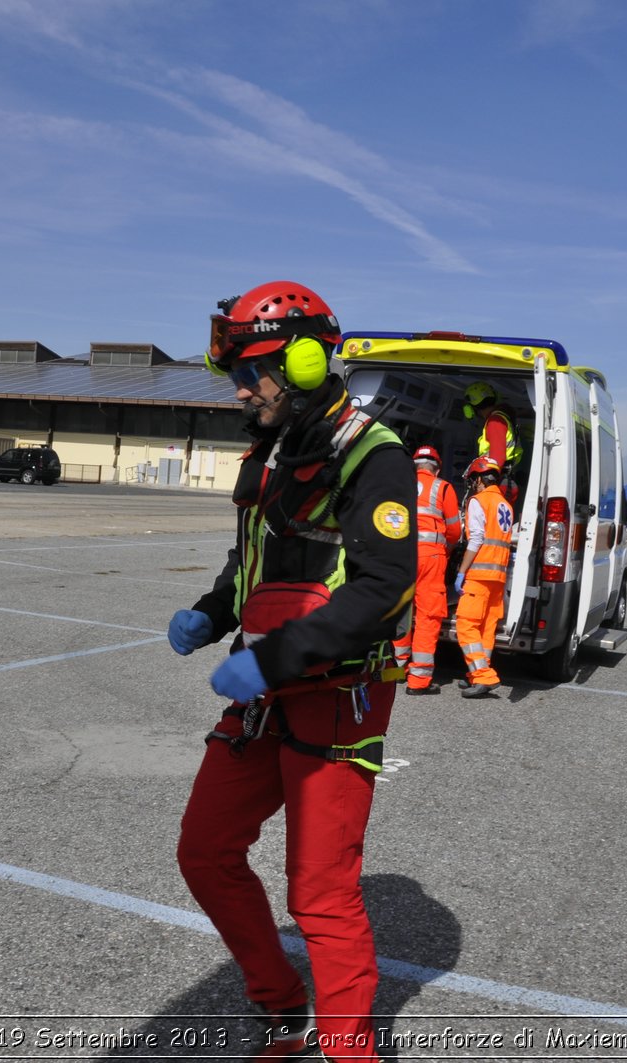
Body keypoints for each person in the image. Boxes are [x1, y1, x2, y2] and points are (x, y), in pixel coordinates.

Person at [169, 280, 416, 1062]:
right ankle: (285, 1011)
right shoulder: (272, 446)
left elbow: (384, 588)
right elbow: (255, 557)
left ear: (307, 360)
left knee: (320, 894)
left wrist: (269, 658)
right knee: (205, 851)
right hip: (266, 688)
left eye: (251, 371)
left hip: (338, 695)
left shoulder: (374, 456)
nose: (241, 389)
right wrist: (213, 612)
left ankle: (350, 1053)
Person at [391, 445, 462, 695]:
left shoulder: (400, 485)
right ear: (437, 468)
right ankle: (419, 680)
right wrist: (447, 549)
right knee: (428, 615)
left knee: (400, 609)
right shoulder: (443, 488)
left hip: (401, 555)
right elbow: (454, 530)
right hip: (431, 557)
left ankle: (397, 667)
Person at [453, 455, 514, 699]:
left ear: (479, 479)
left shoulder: (479, 501)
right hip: (498, 576)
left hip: (479, 573)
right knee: (486, 628)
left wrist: (461, 571)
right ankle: (479, 672)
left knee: (466, 625)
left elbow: (476, 538)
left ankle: (483, 676)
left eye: (473, 480)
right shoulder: (505, 505)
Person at [462, 381, 522, 473]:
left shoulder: (495, 422)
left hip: (494, 477)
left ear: (472, 407)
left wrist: (486, 481)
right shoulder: (501, 418)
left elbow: (497, 458)